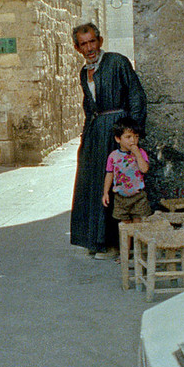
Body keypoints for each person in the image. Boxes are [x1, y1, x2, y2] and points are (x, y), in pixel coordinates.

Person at [70, 22, 146, 256]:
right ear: (77, 48)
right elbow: (88, 106)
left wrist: (132, 137)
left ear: (100, 41)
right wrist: (85, 139)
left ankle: (116, 245)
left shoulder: (117, 62)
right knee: (94, 184)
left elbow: (136, 96)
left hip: (117, 132)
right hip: (95, 134)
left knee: (119, 185)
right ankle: (96, 240)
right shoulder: (85, 73)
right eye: (84, 44)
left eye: (93, 41)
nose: (89, 47)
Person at [102, 117, 152, 227]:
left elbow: (144, 169)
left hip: (138, 196)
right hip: (120, 198)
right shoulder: (113, 156)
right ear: (118, 139)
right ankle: (126, 245)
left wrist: (137, 153)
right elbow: (109, 174)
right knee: (125, 226)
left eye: (136, 137)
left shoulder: (141, 153)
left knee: (138, 224)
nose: (133, 140)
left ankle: (136, 244)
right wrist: (105, 192)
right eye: (128, 137)